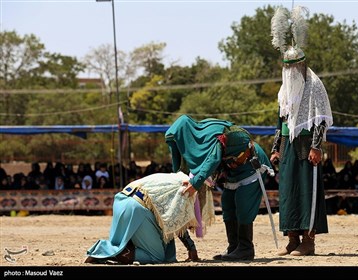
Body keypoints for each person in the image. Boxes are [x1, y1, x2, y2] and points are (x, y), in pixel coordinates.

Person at [165, 114, 274, 261]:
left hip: (250, 167)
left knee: (243, 205)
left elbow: (214, 158)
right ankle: (234, 247)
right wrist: (177, 178)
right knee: (228, 203)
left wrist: (196, 184)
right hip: (233, 172)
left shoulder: (211, 133)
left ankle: (246, 248)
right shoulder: (198, 136)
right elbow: (180, 163)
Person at [270, 6, 333, 256]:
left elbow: (320, 119)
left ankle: (309, 242)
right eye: (286, 67)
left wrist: (317, 146)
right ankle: (292, 239)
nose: (290, 72)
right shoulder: (285, 89)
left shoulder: (314, 85)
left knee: (307, 192)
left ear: (301, 64)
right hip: (288, 146)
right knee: (288, 193)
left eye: (293, 67)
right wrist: (275, 149)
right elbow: (280, 121)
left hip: (307, 146)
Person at [84, 171, 214, 265]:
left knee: (166, 246)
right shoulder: (186, 188)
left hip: (122, 201)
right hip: (136, 208)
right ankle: (107, 250)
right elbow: (177, 221)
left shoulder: (176, 176)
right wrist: (191, 248)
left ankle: (127, 246)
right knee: (156, 256)